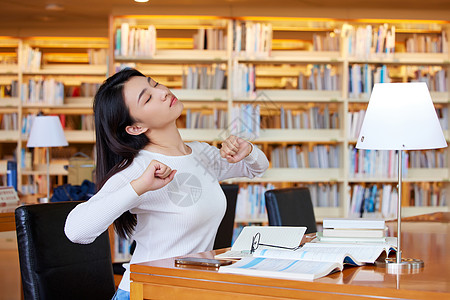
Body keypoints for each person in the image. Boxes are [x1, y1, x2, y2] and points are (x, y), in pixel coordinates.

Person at [64, 68, 269, 299]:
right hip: (147, 291)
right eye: (148, 97)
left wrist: (248, 150)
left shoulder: (201, 154)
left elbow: (257, 168)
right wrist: (139, 186)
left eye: (155, 84)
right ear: (135, 128)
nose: (162, 92)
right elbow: (76, 231)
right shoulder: (137, 170)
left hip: (190, 289)